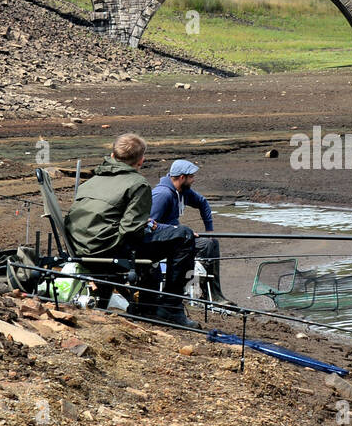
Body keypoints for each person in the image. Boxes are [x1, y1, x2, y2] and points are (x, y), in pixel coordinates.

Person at [64, 133, 199, 328]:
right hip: (107, 250)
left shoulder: (92, 181)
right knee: (184, 236)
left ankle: (146, 307)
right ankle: (171, 308)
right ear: (141, 160)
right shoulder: (138, 184)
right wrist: (152, 227)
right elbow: (131, 231)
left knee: (155, 240)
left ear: (112, 156)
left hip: (80, 248)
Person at [151, 159, 230, 304]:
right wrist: (180, 231)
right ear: (182, 177)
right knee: (206, 245)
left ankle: (213, 293)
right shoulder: (162, 195)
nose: (194, 180)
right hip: (163, 242)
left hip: (177, 237)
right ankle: (189, 290)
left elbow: (203, 203)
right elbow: (150, 225)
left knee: (211, 242)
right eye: (191, 176)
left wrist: (209, 230)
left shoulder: (183, 191)